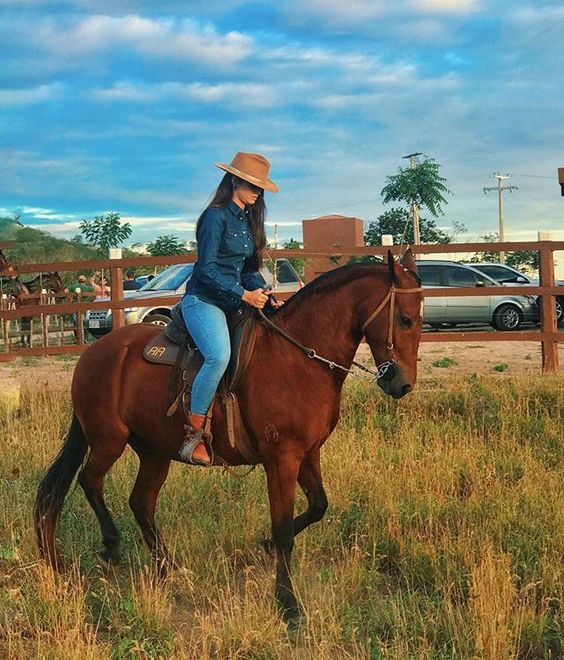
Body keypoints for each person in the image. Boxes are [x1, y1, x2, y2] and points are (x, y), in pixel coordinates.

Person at [178, 151, 282, 466]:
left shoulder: (248, 220)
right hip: (204, 300)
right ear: (235, 181)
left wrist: (262, 291)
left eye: (260, 187)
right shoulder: (215, 217)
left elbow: (247, 268)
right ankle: (193, 435)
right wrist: (243, 295)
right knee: (219, 356)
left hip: (234, 301)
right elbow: (206, 269)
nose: (257, 192)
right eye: (252, 185)